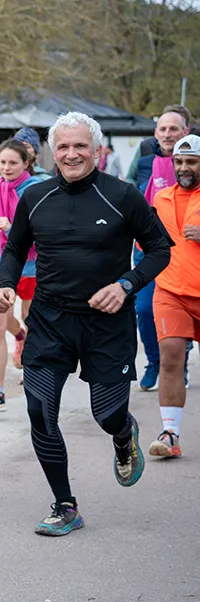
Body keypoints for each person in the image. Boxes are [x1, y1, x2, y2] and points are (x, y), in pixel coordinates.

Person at [0, 112, 171, 537]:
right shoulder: (35, 197)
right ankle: (65, 505)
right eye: (63, 147)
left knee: (106, 414)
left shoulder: (123, 196)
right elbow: (16, 247)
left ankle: (124, 433)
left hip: (106, 323)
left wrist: (126, 284)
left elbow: (159, 250)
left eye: (80, 146)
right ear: (53, 152)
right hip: (51, 319)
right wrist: (6, 283)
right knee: (39, 410)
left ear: (97, 151)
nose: (71, 154)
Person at [0, 139, 48, 414]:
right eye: (3, 162)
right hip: (0, 264)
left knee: (33, 321)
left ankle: (34, 370)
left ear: (27, 164)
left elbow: (43, 228)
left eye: (13, 162)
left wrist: (15, 225)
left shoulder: (38, 189)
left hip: (33, 267)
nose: (6, 167)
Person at [147, 134, 200, 458]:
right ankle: (170, 435)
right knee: (170, 357)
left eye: (192, 162)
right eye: (179, 162)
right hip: (170, 291)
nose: (184, 168)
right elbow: (145, 241)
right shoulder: (161, 197)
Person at [132, 106, 191, 391]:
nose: (168, 134)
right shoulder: (144, 162)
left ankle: (178, 363)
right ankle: (155, 362)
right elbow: (128, 195)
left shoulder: (195, 165)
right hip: (146, 247)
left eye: (174, 129)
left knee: (183, 309)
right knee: (143, 309)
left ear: (186, 132)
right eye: (163, 129)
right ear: (156, 133)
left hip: (185, 249)